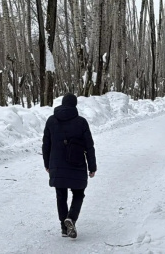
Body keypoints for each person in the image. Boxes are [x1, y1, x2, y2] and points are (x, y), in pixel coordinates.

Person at [43, 93, 97, 239]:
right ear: (74, 105)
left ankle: (63, 228)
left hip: (56, 164)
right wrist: (92, 167)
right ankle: (71, 219)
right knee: (78, 193)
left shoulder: (51, 121)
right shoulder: (81, 122)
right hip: (77, 163)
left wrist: (47, 164)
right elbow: (89, 146)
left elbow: (46, 145)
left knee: (61, 195)